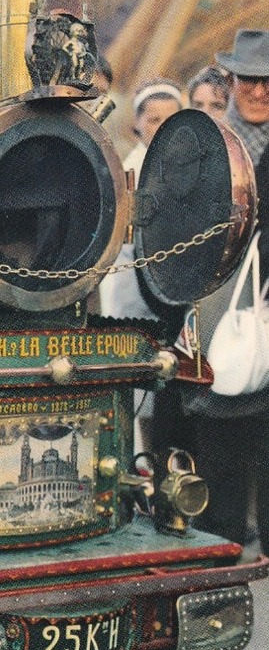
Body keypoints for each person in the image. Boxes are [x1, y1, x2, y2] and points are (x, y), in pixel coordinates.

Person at [182, 30, 269, 553]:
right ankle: (225, 547)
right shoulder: (210, 145)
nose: (260, 91)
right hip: (225, 308)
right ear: (232, 81)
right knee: (226, 430)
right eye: (251, 80)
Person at [99, 79, 184, 452]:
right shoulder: (127, 172)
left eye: (171, 120)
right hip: (132, 299)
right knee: (139, 401)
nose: (161, 128)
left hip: (175, 301)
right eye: (153, 120)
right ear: (138, 125)